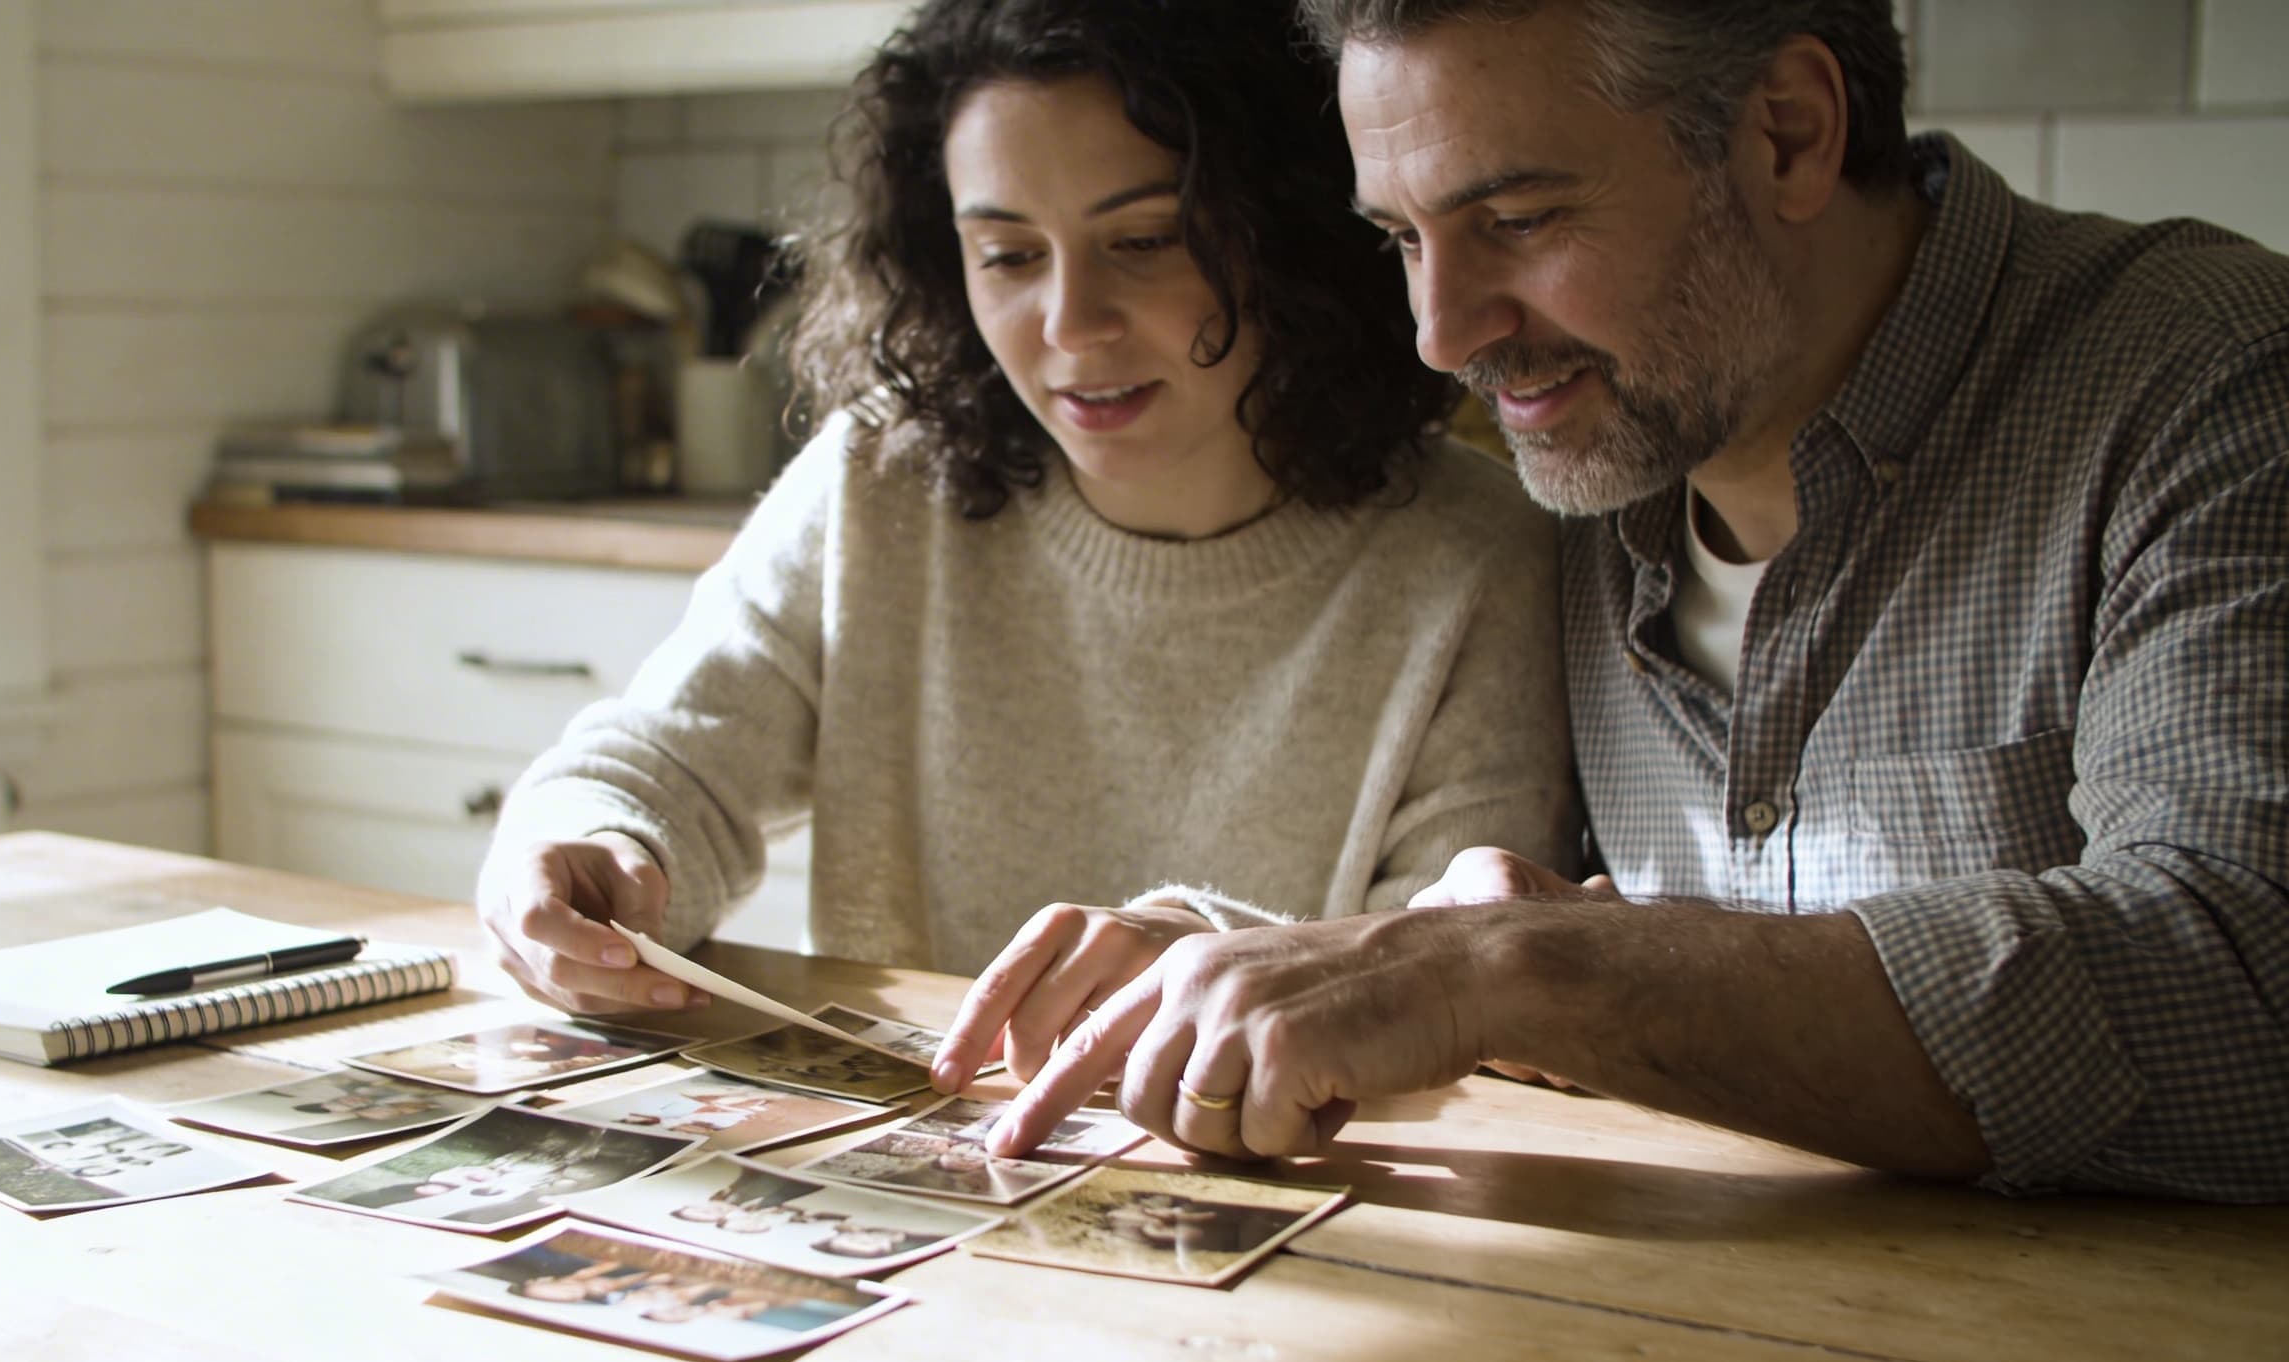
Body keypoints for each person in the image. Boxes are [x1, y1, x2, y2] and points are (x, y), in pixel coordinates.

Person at [981, 0, 2289, 1203]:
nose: (1443, 332)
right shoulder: (1594, 473)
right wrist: (1240, 972)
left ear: (1788, 134)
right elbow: (1595, 966)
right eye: (1402, 238)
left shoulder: (2211, 382)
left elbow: (2243, 983)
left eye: (1519, 220)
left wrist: (1517, 969)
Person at [475, 0, 1576, 1035]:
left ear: (1286, 237)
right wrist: (585, 841)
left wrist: (1205, 956)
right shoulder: (879, 478)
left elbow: (1449, 974)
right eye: (1006, 254)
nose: (1070, 324)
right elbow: (668, 763)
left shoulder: (1476, 557)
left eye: (1143, 240)